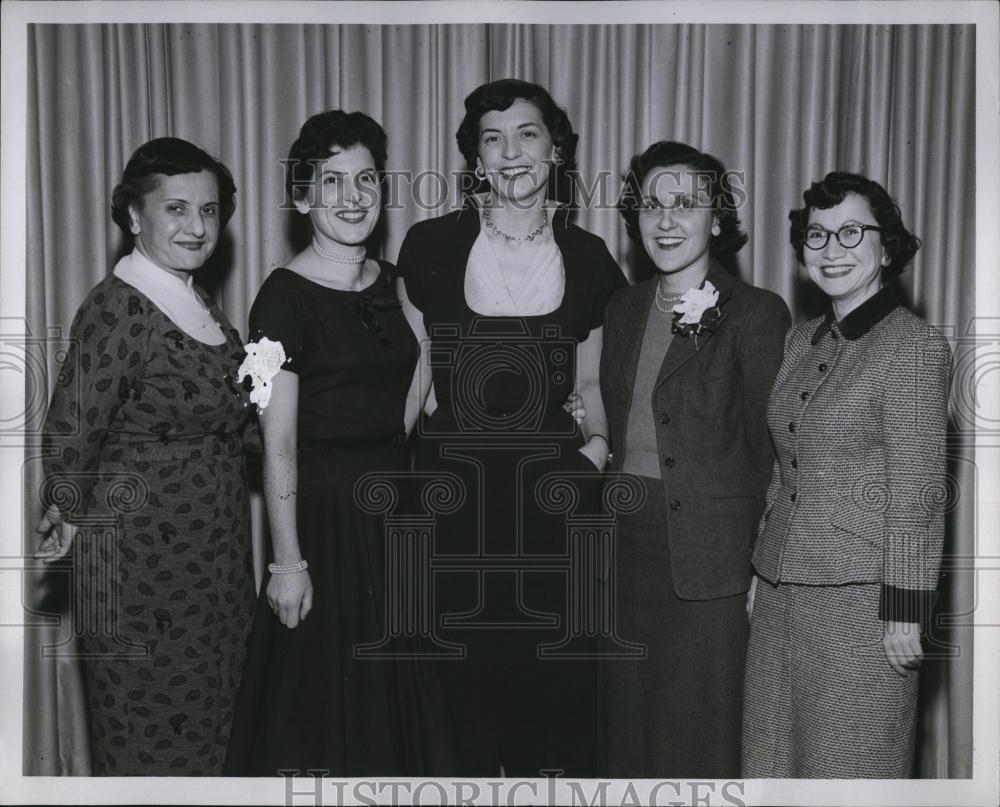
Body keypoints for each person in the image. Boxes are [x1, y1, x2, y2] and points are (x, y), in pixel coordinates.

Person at [396, 78, 626, 776]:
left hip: (550, 502)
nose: (511, 152)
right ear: (474, 159)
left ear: (555, 149)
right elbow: (413, 381)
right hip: (453, 499)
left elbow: (590, 382)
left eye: (527, 134)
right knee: (457, 695)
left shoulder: (589, 258)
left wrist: (593, 453)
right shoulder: (429, 245)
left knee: (551, 697)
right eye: (492, 139)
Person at [223, 110, 449, 776]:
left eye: (366, 180)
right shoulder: (280, 299)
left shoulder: (395, 281)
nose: (352, 198)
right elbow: (278, 442)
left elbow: (411, 395)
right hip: (321, 518)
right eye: (331, 182)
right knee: (322, 704)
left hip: (393, 509)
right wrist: (287, 560)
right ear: (302, 197)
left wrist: (385, 445)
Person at [35, 137, 255, 775]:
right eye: (177, 209)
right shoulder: (118, 306)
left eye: (210, 211)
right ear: (136, 216)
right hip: (140, 566)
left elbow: (230, 421)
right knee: (149, 738)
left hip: (213, 559)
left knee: (214, 729)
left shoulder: (194, 302)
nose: (197, 226)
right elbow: (71, 430)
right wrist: (67, 514)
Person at [742, 171, 953, 778]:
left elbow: (918, 490)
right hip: (781, 593)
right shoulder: (798, 341)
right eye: (817, 235)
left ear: (886, 247)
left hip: (865, 599)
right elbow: (786, 465)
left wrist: (906, 605)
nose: (831, 250)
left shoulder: (913, 346)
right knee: (770, 770)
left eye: (851, 233)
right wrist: (764, 565)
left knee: (850, 771)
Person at [599, 140, 790, 777]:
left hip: (712, 558)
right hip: (625, 552)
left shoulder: (757, 314)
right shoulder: (623, 309)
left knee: (699, 736)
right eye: (651, 205)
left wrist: (764, 570)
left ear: (716, 218)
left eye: (686, 204)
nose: (665, 220)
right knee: (627, 733)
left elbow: (777, 452)